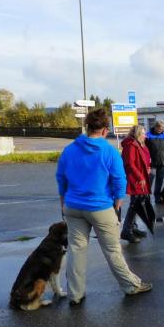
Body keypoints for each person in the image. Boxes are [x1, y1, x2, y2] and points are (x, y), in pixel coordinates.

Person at [55, 108, 152, 306]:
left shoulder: (70, 149)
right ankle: (130, 285)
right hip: (100, 207)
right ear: (105, 129)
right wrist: (118, 200)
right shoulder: (108, 151)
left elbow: (61, 178)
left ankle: (75, 293)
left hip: (73, 206)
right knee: (112, 250)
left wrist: (63, 201)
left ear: (87, 127)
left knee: (76, 250)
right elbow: (119, 179)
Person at [121, 125, 152, 243]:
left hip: (142, 177)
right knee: (135, 205)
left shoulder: (140, 144)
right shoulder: (131, 145)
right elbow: (130, 164)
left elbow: (145, 158)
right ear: (137, 134)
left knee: (138, 203)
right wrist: (140, 176)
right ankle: (126, 231)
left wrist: (148, 168)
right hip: (136, 178)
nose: (145, 135)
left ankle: (133, 228)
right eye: (143, 133)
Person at [145, 120, 164, 204]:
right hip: (151, 162)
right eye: (160, 128)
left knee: (159, 180)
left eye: (163, 128)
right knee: (150, 179)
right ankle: (146, 196)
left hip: (163, 161)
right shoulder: (148, 136)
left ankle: (157, 197)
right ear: (155, 127)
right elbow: (144, 150)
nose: (161, 129)